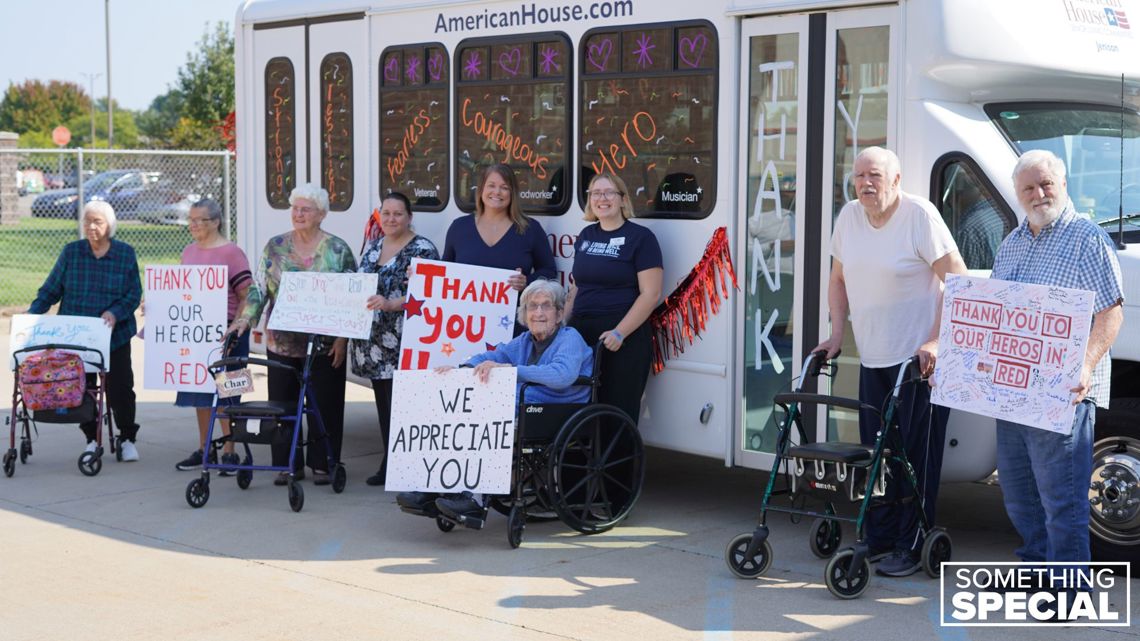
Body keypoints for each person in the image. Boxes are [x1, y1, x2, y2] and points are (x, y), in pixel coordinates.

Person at [813, 146, 968, 577]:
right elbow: (838, 280)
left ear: (896, 180)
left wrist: (938, 340)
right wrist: (838, 334)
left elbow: (958, 279)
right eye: (860, 174)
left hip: (920, 364)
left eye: (875, 175)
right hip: (874, 358)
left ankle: (912, 542)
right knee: (877, 454)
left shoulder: (919, 216)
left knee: (915, 458)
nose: (865, 182)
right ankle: (879, 537)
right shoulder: (849, 217)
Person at [991, 150, 1123, 568]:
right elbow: (995, 314)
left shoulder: (1088, 240)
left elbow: (1110, 312)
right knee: (1019, 495)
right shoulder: (1011, 244)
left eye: (1046, 183)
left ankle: (1068, 590)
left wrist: (1084, 365)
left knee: (1062, 499)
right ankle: (1035, 569)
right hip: (1013, 394)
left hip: (1062, 394)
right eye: (1028, 187)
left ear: (1063, 185)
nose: (1038, 193)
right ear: (1017, 194)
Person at [397, 280, 593, 519]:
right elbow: (491, 355)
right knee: (454, 416)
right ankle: (434, 488)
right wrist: (461, 369)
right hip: (521, 406)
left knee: (484, 421)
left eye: (546, 306)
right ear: (525, 313)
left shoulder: (569, 338)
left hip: (555, 410)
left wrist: (510, 369)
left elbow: (563, 375)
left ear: (560, 313)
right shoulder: (524, 341)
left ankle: (475, 499)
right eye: (533, 306)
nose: (539, 313)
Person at [226, 184, 357, 486]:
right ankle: (287, 464)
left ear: (321, 214)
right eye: (295, 208)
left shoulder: (338, 250)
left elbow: (352, 298)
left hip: (323, 344)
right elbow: (258, 289)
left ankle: (324, 463)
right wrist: (245, 320)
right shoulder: (276, 247)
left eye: (306, 209)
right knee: (282, 406)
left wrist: (342, 340)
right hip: (282, 342)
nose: (298, 214)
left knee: (326, 404)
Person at [29, 200, 142, 460]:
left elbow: (133, 293)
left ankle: (127, 438)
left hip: (114, 336)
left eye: (97, 221)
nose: (91, 226)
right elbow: (51, 290)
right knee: (79, 388)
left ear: (109, 225)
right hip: (76, 336)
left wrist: (114, 313)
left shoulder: (125, 254)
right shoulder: (72, 253)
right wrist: (31, 316)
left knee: (120, 389)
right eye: (87, 221)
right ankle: (91, 438)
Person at [349, 192, 439, 487]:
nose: (390, 219)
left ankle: (406, 466)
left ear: (409, 217)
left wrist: (390, 304)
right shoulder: (374, 247)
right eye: (385, 213)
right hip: (372, 345)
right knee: (384, 406)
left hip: (405, 341)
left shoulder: (423, 249)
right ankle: (390, 462)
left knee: (407, 407)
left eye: (397, 214)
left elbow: (429, 295)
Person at [565, 173, 663, 426]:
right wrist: (563, 326)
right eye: (595, 193)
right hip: (582, 335)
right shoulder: (586, 235)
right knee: (580, 412)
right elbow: (577, 286)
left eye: (609, 192)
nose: (602, 198)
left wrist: (620, 333)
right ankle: (582, 467)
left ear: (622, 199)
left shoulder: (641, 238)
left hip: (622, 338)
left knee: (616, 413)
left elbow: (651, 294)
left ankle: (617, 467)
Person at [173, 199, 253, 473]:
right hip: (197, 332)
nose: (193, 225)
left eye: (199, 220)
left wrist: (237, 324)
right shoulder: (188, 251)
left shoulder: (232, 253)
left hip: (228, 332)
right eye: (191, 219)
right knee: (200, 392)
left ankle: (230, 450)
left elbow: (247, 295)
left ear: (216, 221)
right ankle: (205, 447)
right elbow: (182, 292)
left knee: (230, 392)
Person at [442, 163, 556, 314]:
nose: (497, 192)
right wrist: (420, 274)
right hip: (464, 323)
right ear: (481, 189)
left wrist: (527, 282)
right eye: (491, 185)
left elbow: (549, 271)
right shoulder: (459, 227)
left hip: (513, 323)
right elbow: (443, 272)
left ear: (512, 193)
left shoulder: (530, 229)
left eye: (504, 187)